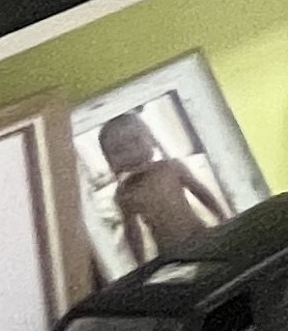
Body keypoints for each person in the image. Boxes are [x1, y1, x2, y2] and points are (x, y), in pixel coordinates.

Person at [95, 109, 230, 266]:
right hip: (168, 252)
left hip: (199, 234)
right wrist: (140, 264)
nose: (132, 152)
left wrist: (222, 217)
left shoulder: (171, 167)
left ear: (151, 138)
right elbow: (132, 231)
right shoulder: (125, 193)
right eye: (119, 150)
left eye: (136, 140)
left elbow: (200, 191)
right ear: (109, 160)